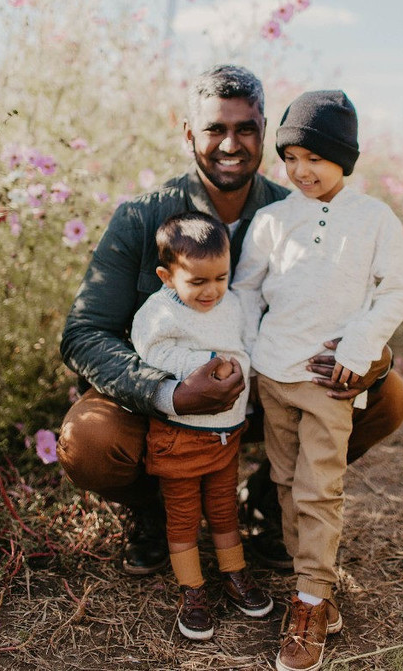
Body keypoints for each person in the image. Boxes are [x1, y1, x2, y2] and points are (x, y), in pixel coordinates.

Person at [57, 65, 403, 635]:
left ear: (265, 130)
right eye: (214, 128)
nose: (230, 143)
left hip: (274, 392)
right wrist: (166, 391)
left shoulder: (291, 211)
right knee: (91, 439)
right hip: (165, 411)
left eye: (246, 129)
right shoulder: (142, 216)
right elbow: (83, 333)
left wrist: (370, 358)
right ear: (187, 133)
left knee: (388, 395)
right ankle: (154, 511)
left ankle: (271, 504)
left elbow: (367, 299)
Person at [231, 90, 403, 671]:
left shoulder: (373, 219)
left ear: (345, 159)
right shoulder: (271, 220)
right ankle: (317, 582)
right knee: (284, 482)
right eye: (292, 157)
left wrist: (358, 350)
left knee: (319, 485)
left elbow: (396, 291)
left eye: (317, 157)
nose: (302, 170)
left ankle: (309, 599)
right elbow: (245, 291)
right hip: (274, 374)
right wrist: (249, 354)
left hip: (331, 381)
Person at [131, 210, 272, 639]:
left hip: (226, 434)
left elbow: (245, 347)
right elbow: (152, 354)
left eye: (220, 278)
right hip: (180, 435)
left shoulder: (231, 305)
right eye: (197, 282)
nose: (211, 291)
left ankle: (234, 573)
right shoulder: (158, 313)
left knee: (224, 510)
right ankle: (192, 589)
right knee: (184, 516)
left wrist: (237, 368)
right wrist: (206, 364)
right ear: (167, 276)